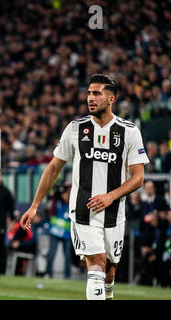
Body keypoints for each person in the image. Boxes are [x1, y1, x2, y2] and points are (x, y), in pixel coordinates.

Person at [20, 74, 149, 300]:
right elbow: (52, 169)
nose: (90, 98)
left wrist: (111, 196)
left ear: (111, 99)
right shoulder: (75, 129)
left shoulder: (129, 131)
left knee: (109, 272)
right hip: (83, 212)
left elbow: (138, 177)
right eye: (89, 93)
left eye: (96, 93)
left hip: (114, 214)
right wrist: (34, 205)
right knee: (96, 265)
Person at [45, 184, 73, 279]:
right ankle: (48, 273)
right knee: (52, 253)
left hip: (67, 233)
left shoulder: (72, 203)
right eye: (65, 193)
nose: (66, 195)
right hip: (55, 231)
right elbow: (51, 194)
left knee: (68, 255)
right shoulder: (55, 202)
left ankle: (67, 275)